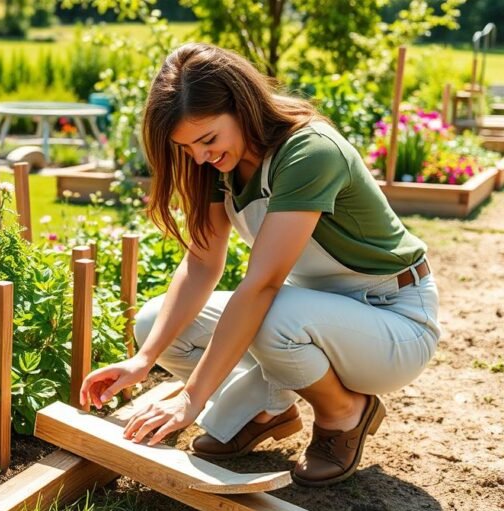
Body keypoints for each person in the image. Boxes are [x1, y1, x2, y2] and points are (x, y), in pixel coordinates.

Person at [78, 43, 441, 487]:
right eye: (186, 146)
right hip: (312, 310)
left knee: (271, 314)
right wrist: (143, 359)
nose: (199, 157)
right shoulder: (219, 164)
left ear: (243, 105)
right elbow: (200, 264)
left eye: (208, 139)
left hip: (393, 320)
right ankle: (269, 407)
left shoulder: (310, 151)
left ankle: (345, 412)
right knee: (156, 324)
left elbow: (263, 285)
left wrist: (191, 399)